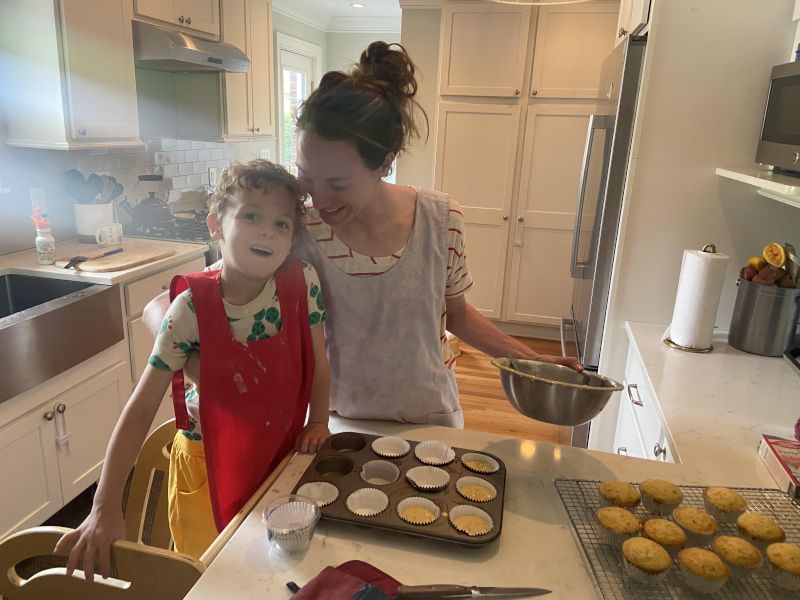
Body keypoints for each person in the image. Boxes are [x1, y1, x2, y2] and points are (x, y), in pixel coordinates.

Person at [144, 41, 580, 430]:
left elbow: (458, 315)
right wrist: (205, 369)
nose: (316, 196)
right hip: (336, 423)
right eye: (305, 175)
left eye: (337, 183)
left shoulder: (440, 217)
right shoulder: (297, 229)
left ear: (384, 163)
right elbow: (170, 305)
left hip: (431, 416)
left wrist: (527, 358)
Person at [55, 160, 331, 578]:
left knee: (273, 571)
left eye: (281, 224)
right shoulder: (189, 309)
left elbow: (319, 359)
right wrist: (105, 504)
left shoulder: (302, 282)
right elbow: (142, 406)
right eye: (250, 216)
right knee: (211, 577)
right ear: (216, 224)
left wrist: (320, 421)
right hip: (205, 464)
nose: (266, 232)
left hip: (279, 454)